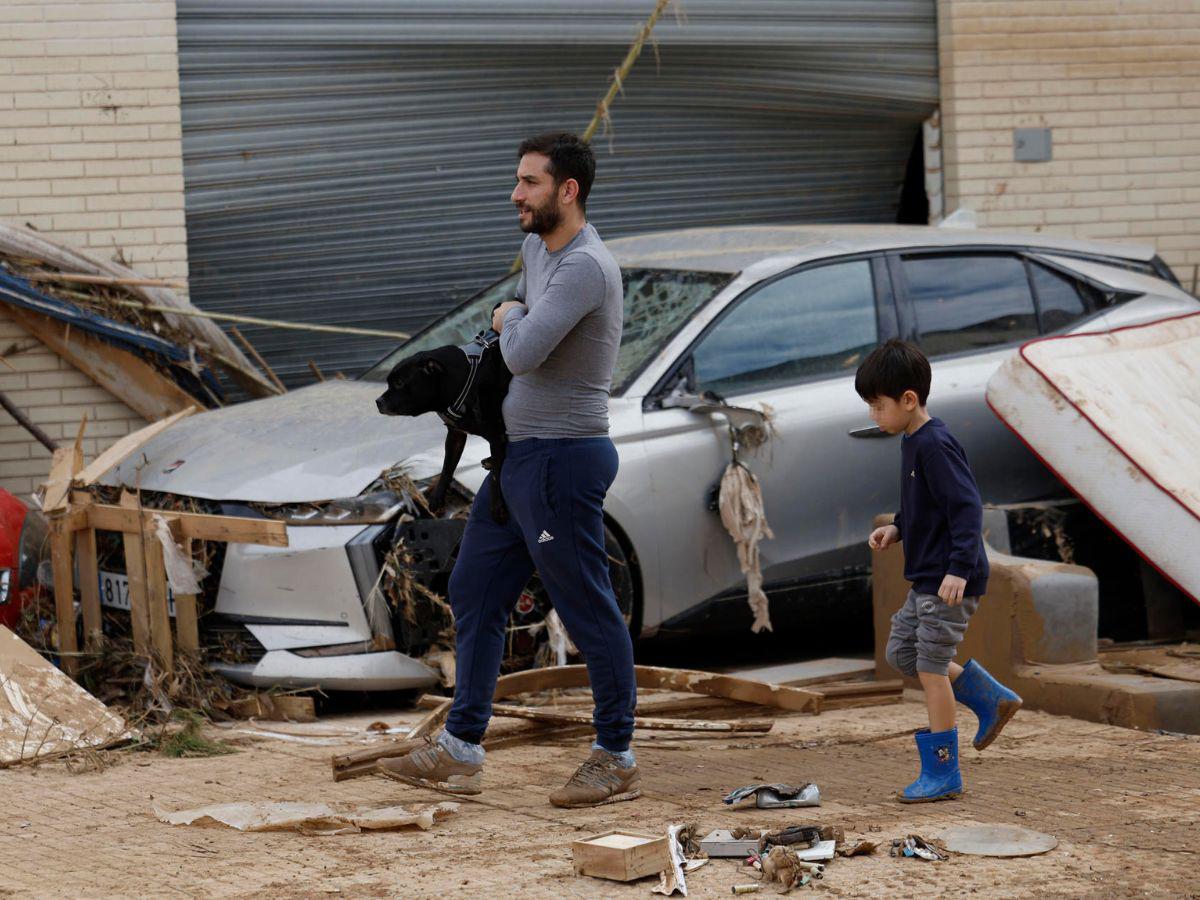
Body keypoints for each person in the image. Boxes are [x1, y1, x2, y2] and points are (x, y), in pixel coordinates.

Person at [380, 132, 639, 809]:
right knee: (474, 591)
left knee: (587, 607)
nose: (515, 193)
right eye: (518, 180)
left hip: (563, 460)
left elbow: (522, 350)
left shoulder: (587, 267)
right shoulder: (536, 250)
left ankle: (615, 755)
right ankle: (461, 750)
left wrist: (511, 313)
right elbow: (507, 350)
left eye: (529, 182)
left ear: (567, 191)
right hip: (518, 461)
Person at [856, 339, 1022, 802]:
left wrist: (960, 569)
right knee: (902, 654)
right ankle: (989, 697)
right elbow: (924, 505)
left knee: (929, 668)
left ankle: (944, 772)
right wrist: (898, 529)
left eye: (878, 405)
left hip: (948, 580)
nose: (874, 414)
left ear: (909, 400)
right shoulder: (912, 442)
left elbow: (966, 508)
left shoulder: (936, 445)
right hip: (927, 577)